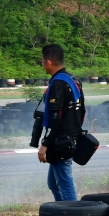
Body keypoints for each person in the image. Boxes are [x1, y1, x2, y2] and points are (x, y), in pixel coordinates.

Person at [37, 44, 85, 201]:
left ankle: (71, 213)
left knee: (64, 183)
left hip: (61, 141)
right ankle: (61, 211)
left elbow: (55, 117)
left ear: (48, 62)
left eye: (42, 60)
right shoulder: (73, 80)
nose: (42, 63)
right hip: (71, 136)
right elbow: (82, 110)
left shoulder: (57, 83)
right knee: (53, 183)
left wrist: (44, 144)